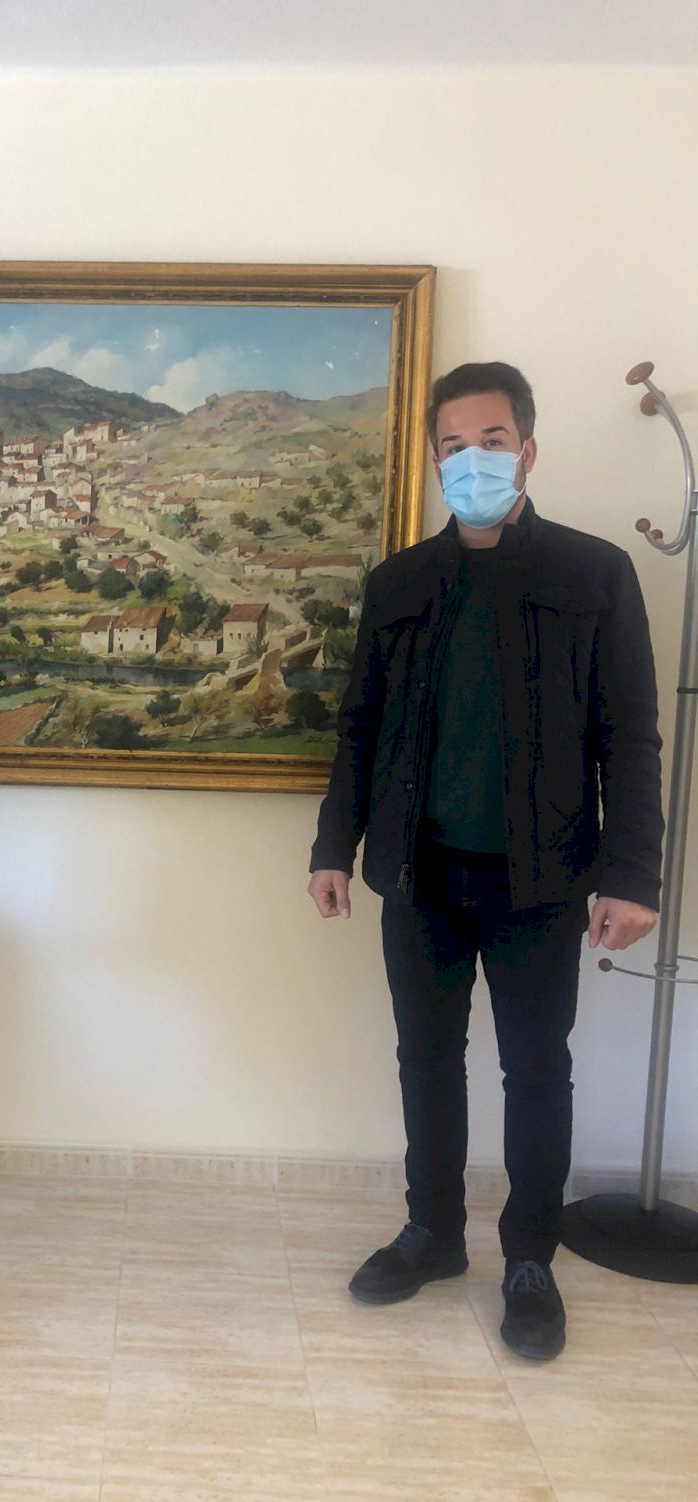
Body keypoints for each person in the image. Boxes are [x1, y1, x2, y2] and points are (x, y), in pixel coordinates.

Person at [307, 362, 664, 1361]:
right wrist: (333, 846)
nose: (474, 460)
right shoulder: (400, 584)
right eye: (454, 447)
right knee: (424, 1059)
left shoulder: (595, 574)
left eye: (493, 441)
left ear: (528, 450)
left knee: (536, 1069)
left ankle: (529, 1260)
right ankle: (431, 1233)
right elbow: (359, 728)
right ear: (435, 463)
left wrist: (633, 874)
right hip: (417, 874)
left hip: (541, 880)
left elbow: (631, 736)